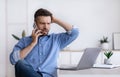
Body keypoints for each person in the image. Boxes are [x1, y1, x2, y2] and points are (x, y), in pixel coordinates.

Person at [10, 8, 79, 77]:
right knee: (20, 63)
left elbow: (74, 33)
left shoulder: (56, 39)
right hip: (31, 75)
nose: (46, 27)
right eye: (42, 23)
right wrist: (32, 44)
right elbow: (13, 60)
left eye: (48, 23)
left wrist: (55, 20)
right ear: (35, 23)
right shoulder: (24, 41)